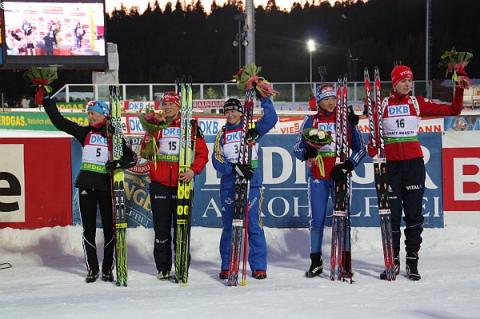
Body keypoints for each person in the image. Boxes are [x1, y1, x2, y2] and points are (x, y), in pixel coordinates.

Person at [368, 65, 468, 281]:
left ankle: (412, 261)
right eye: (403, 80)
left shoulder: (417, 102)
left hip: (413, 165)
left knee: (413, 216)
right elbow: (373, 141)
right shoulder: (383, 105)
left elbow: (453, 111)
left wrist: (458, 90)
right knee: (392, 218)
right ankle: (392, 262)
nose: (407, 84)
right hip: (391, 167)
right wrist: (373, 147)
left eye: (410, 80)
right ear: (394, 83)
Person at [43, 96, 136, 283]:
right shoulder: (84, 132)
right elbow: (60, 122)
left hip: (106, 187)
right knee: (89, 230)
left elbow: (132, 158)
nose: (90, 117)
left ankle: (107, 269)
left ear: (104, 115)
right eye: (89, 114)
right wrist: (47, 102)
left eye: (93, 113)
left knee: (109, 230)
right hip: (86, 185)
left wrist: (118, 162)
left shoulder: (114, 135)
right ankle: (92, 269)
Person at [293, 83, 366, 278]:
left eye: (333, 98)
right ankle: (316, 262)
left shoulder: (346, 121)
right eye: (326, 99)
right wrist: (307, 152)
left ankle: (345, 261)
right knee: (316, 221)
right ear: (318, 101)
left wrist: (348, 165)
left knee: (343, 219)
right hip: (318, 177)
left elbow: (361, 149)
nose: (331, 102)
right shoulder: (311, 121)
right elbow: (297, 148)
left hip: (340, 177)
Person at [140, 92, 208, 280]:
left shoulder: (190, 126)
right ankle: (163, 267)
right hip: (160, 184)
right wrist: (149, 135)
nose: (168, 107)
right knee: (161, 229)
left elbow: (202, 153)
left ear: (179, 106)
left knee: (181, 228)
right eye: (165, 104)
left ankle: (181, 265)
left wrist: (193, 171)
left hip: (182, 183)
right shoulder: (156, 124)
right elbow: (145, 153)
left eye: (172, 104)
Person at [212, 96, 278, 280]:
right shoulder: (222, 134)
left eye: (234, 110)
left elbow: (271, 118)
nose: (231, 114)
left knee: (254, 225)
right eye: (227, 111)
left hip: (251, 183)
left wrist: (264, 97)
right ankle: (227, 264)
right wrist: (233, 168)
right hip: (229, 184)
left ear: (241, 112)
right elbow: (217, 160)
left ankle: (258, 266)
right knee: (229, 227)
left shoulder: (252, 130)